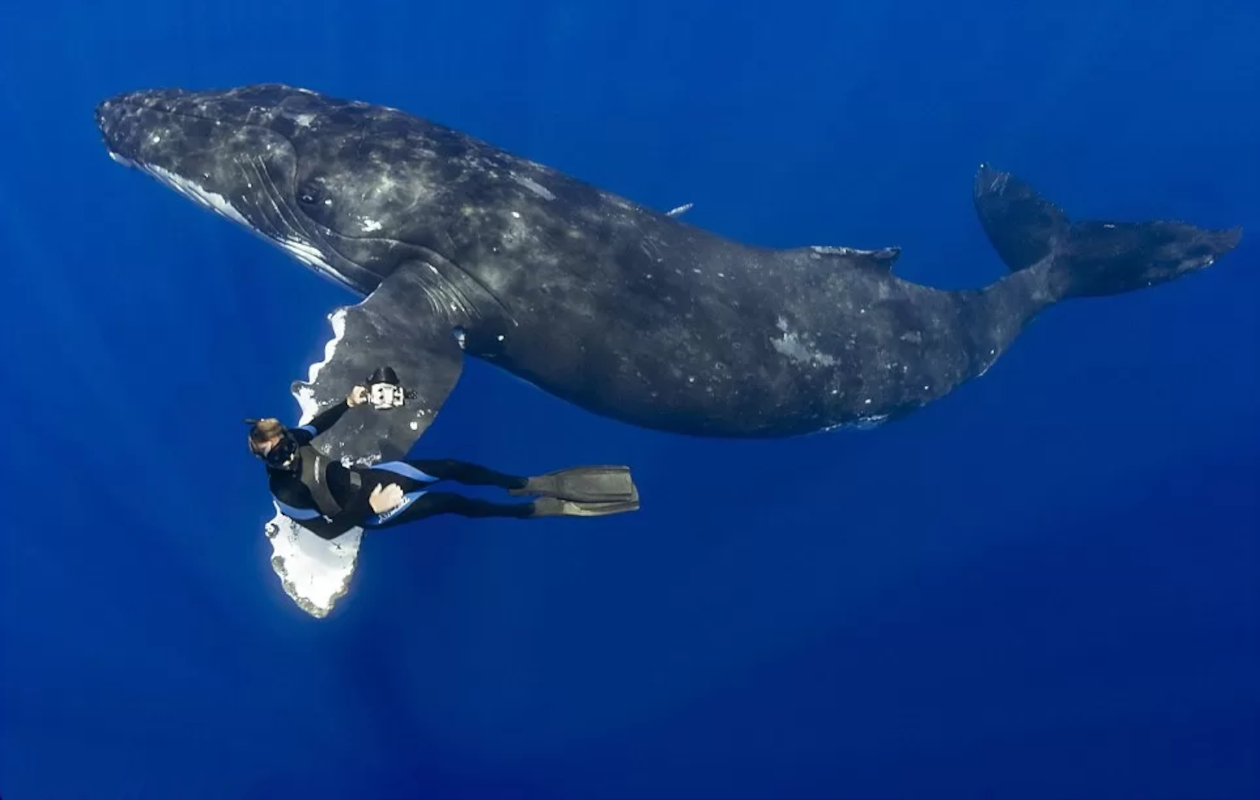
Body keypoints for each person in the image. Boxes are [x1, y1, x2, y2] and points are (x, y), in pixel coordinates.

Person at [247, 386, 639, 540]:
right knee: (446, 502)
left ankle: (526, 482)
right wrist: (371, 507)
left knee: (449, 466)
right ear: (265, 458)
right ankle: (529, 511)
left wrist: (348, 403)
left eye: (285, 444)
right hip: (367, 510)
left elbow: (317, 425)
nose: (288, 453)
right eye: (278, 454)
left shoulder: (295, 440)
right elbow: (329, 532)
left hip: (365, 479)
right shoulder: (284, 491)